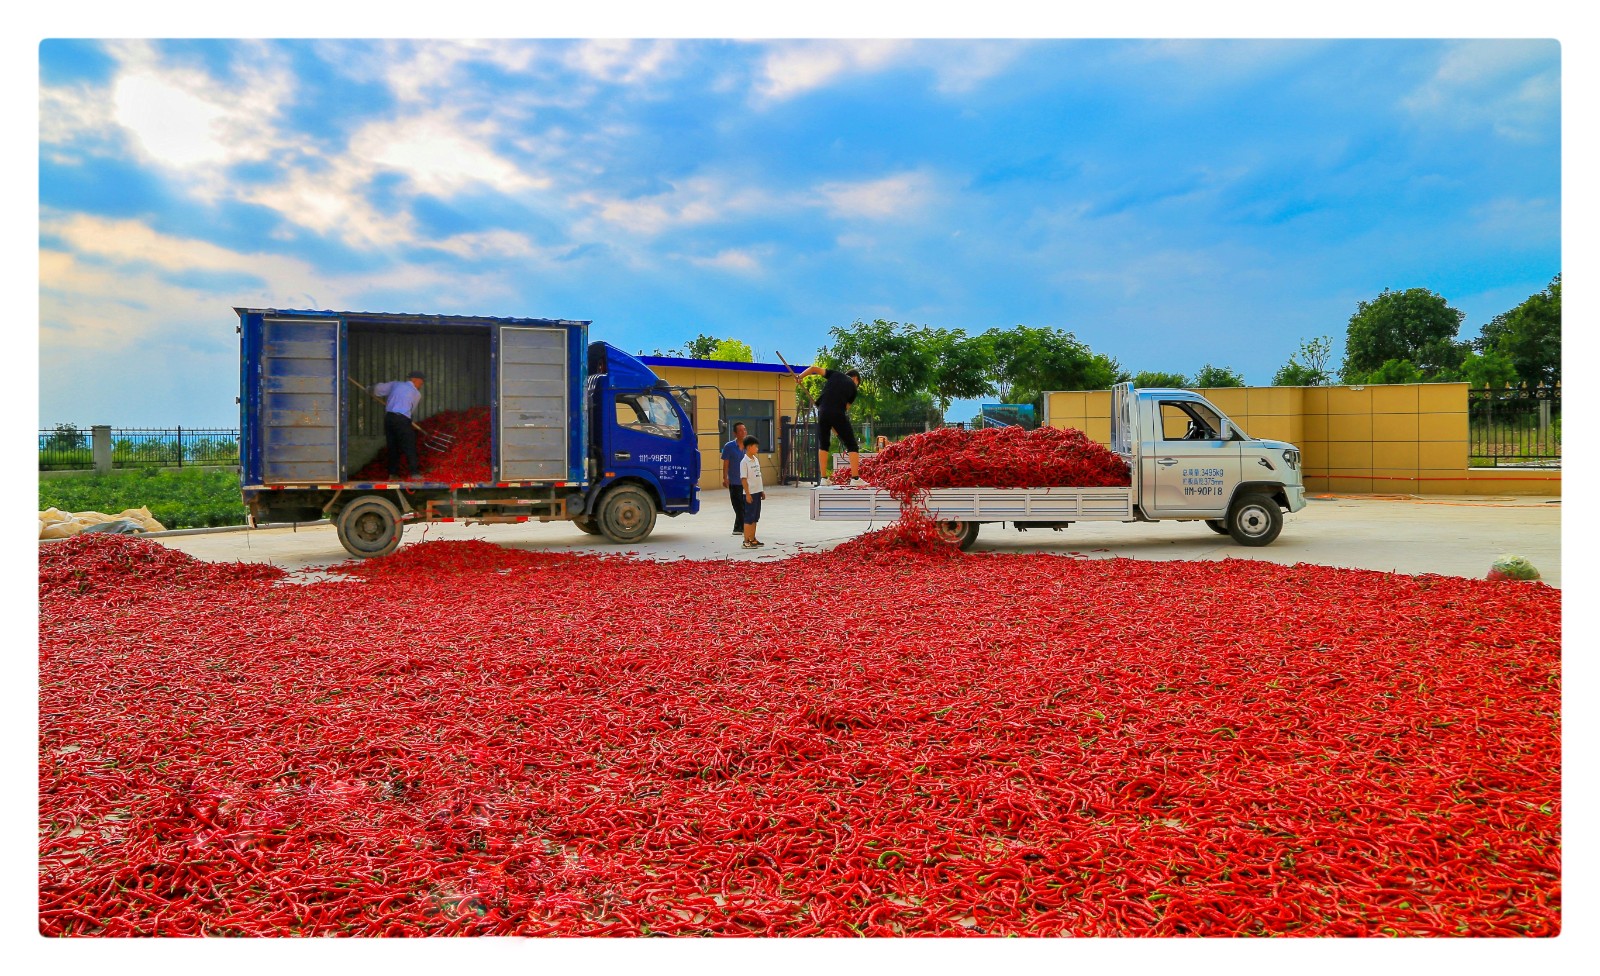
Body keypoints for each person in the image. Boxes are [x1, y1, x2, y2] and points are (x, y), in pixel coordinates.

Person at [793, 365, 862, 482]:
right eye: (857, 383)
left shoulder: (834, 374)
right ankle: (855, 478)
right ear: (855, 379)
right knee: (852, 445)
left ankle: (823, 478)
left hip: (822, 411)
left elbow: (814, 369)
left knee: (824, 444)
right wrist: (839, 431)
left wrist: (800, 377)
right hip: (837, 412)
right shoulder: (853, 389)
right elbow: (844, 410)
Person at [372, 371, 425, 479]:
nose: (420, 386)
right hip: (402, 419)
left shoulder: (396, 384)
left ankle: (393, 474)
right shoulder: (416, 394)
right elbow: (411, 410)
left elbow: (378, 389)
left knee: (393, 446)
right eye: (421, 383)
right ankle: (414, 473)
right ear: (415, 380)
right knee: (409, 445)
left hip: (389, 418)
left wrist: (370, 389)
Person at [720, 421, 749, 535]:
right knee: (737, 505)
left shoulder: (749, 445)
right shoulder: (729, 446)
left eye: (745, 430)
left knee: (745, 504)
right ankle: (743, 527)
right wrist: (725, 478)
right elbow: (726, 463)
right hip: (735, 481)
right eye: (740, 430)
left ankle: (738, 528)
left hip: (747, 481)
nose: (743, 432)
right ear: (735, 433)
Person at [739, 434, 765, 549]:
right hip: (750, 493)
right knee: (749, 517)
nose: (757, 449)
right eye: (755, 446)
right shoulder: (744, 462)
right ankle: (746, 541)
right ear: (749, 447)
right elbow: (744, 479)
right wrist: (748, 494)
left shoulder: (755, 460)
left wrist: (761, 491)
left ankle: (752, 538)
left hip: (757, 492)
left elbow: (758, 476)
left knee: (755, 517)